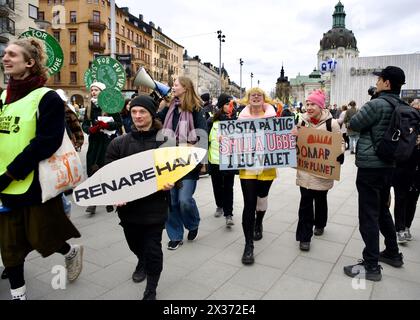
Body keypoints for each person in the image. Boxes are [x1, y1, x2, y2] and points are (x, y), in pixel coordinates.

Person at [0, 38, 83, 300]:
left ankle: (70, 252)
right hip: (3, 183)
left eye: (12, 55)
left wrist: (11, 173)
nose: (5, 58)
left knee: (42, 237)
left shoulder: (47, 98)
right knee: (9, 245)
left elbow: (46, 143)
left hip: (33, 183)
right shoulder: (3, 97)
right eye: (5, 54)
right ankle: (18, 296)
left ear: (30, 62)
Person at [105, 95, 174, 300]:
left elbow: (176, 171)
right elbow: (108, 174)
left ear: (152, 114)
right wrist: (114, 195)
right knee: (135, 244)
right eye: (134, 111)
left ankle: (151, 289)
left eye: (142, 111)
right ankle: (140, 260)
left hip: (155, 207)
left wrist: (172, 182)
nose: (137, 116)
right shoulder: (119, 144)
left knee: (153, 249)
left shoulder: (165, 141)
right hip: (129, 210)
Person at [344, 66, 406, 282]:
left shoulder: (376, 104)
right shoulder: (402, 104)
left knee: (368, 215)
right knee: (382, 211)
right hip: (390, 166)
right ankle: (392, 252)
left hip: (371, 167)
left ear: (387, 83)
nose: (377, 83)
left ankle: (371, 265)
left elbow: (353, 125)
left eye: (380, 80)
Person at [157, 76, 207, 250]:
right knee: (171, 201)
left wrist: (201, 160)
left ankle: (193, 224)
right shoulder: (170, 107)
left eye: (175, 85)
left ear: (185, 87)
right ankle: (175, 235)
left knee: (184, 200)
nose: (173, 87)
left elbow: (202, 135)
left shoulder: (196, 108)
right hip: (169, 160)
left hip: (188, 161)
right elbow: (156, 121)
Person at [293, 90, 344, 251]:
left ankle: (320, 223)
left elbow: (341, 142)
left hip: (322, 171)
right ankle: (304, 236)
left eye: (312, 104)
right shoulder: (301, 122)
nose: (309, 107)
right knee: (305, 203)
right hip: (305, 171)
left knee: (320, 200)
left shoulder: (332, 124)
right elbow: (296, 142)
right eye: (307, 104)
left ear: (321, 106)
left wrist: (339, 153)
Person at [237, 87, 277, 265]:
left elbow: (280, 138)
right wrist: (226, 141)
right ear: (247, 99)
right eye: (252, 95)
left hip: (267, 164)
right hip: (247, 166)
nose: (255, 96)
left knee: (262, 198)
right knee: (249, 203)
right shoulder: (240, 119)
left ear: (264, 99)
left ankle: (259, 222)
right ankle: (248, 245)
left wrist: (291, 136)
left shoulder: (273, 118)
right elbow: (233, 139)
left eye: (259, 95)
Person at [82, 81, 122, 215]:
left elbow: (118, 123)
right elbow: (84, 125)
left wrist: (107, 126)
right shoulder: (89, 107)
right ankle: (94, 201)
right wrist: (90, 129)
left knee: (106, 170)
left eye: (96, 90)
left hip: (107, 143)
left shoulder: (110, 106)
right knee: (92, 171)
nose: (93, 92)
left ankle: (109, 198)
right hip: (94, 144)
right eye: (92, 90)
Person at [391, 98, 420, 243]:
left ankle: (406, 226)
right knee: (401, 197)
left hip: (415, 169)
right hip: (403, 166)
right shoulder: (403, 125)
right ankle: (399, 229)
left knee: (413, 198)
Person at [208, 93, 237, 226]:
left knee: (228, 188)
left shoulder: (235, 121)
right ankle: (219, 205)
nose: (230, 106)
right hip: (214, 161)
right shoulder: (211, 122)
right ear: (221, 106)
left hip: (229, 161)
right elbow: (205, 141)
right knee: (217, 186)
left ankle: (228, 214)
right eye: (226, 104)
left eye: (231, 104)